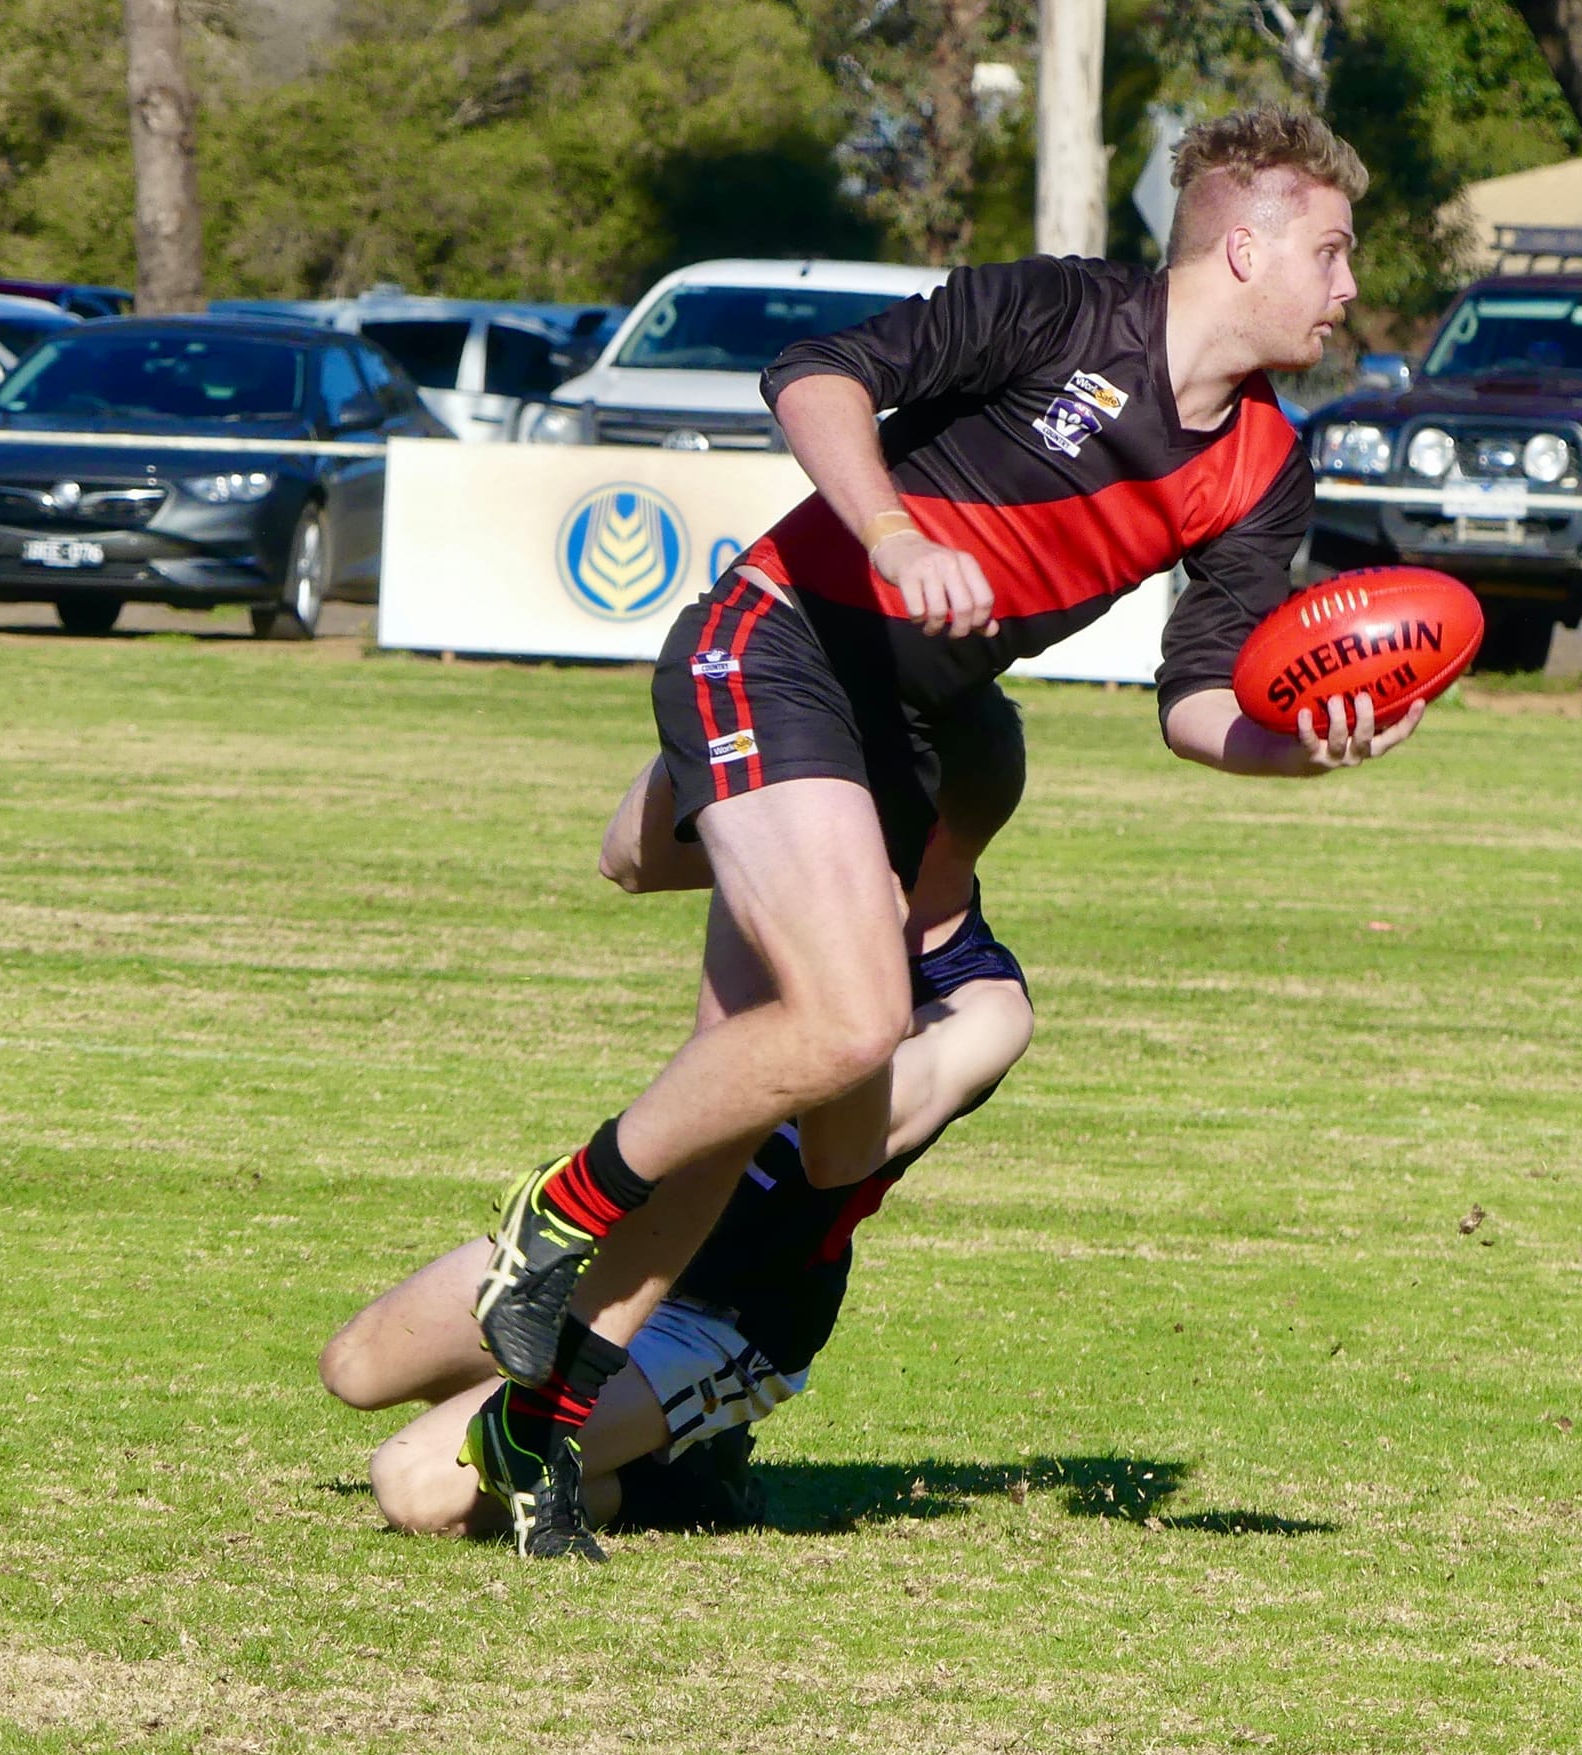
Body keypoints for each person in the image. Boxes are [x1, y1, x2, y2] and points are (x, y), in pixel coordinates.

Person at [466, 105, 1426, 1553]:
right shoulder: (1057, 310)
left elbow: (1193, 700)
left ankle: (542, 1418)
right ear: (1247, 245)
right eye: (1335, 251)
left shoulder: (1261, 466)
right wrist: (895, 532)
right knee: (847, 1020)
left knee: (718, 1006)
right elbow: (813, 375)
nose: (1351, 288)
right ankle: (555, 1216)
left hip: (891, 735)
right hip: (781, 638)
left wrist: (1309, 749)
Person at [324, 705, 1034, 1557]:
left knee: (416, 1486)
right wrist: (724, 694)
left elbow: (833, 1153)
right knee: (356, 1368)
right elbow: (626, 857)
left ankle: (681, 1470)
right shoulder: (796, 870)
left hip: (727, 1313)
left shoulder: (988, 1006)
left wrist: (865, 961)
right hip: (615, 1245)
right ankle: (600, 1406)